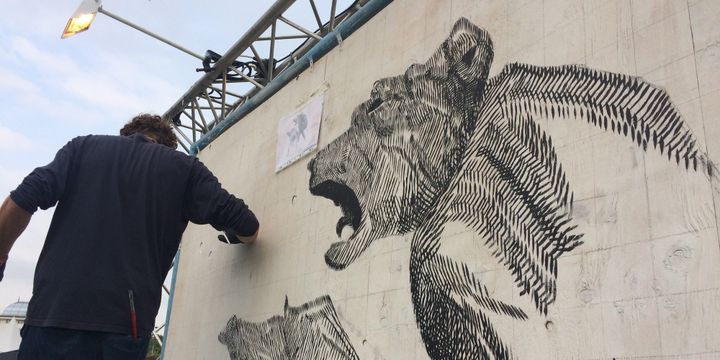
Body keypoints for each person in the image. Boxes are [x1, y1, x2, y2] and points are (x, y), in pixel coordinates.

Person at [0, 114, 259, 359]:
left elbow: (22, 198)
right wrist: (240, 237)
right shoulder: (183, 168)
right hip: (124, 329)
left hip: (51, 319)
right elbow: (247, 225)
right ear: (168, 146)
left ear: (125, 135)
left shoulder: (82, 148)